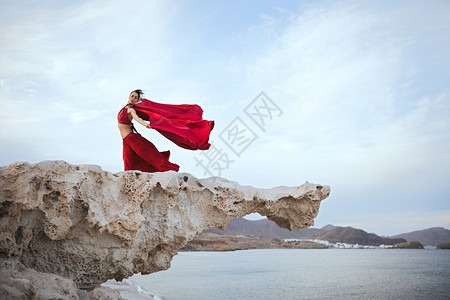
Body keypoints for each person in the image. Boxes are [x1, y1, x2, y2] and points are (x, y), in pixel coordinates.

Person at [117, 89, 214, 173]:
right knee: (128, 160)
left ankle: (168, 169)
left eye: (135, 97)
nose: (133, 98)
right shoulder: (124, 108)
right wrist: (142, 99)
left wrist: (147, 125)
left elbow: (137, 118)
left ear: (137, 100)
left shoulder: (131, 110)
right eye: (132, 96)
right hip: (126, 140)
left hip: (132, 138)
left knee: (149, 154)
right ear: (129, 96)